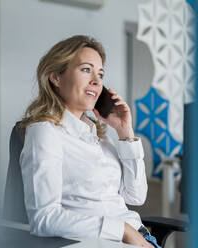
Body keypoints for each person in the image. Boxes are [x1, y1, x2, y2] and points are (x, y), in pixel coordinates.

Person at [19, 35, 159, 248]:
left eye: (100, 74)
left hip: (139, 238)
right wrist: (121, 230)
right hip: (107, 242)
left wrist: (125, 133)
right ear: (56, 77)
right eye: (86, 70)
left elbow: (135, 196)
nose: (97, 80)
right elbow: (44, 218)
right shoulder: (45, 132)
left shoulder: (98, 134)